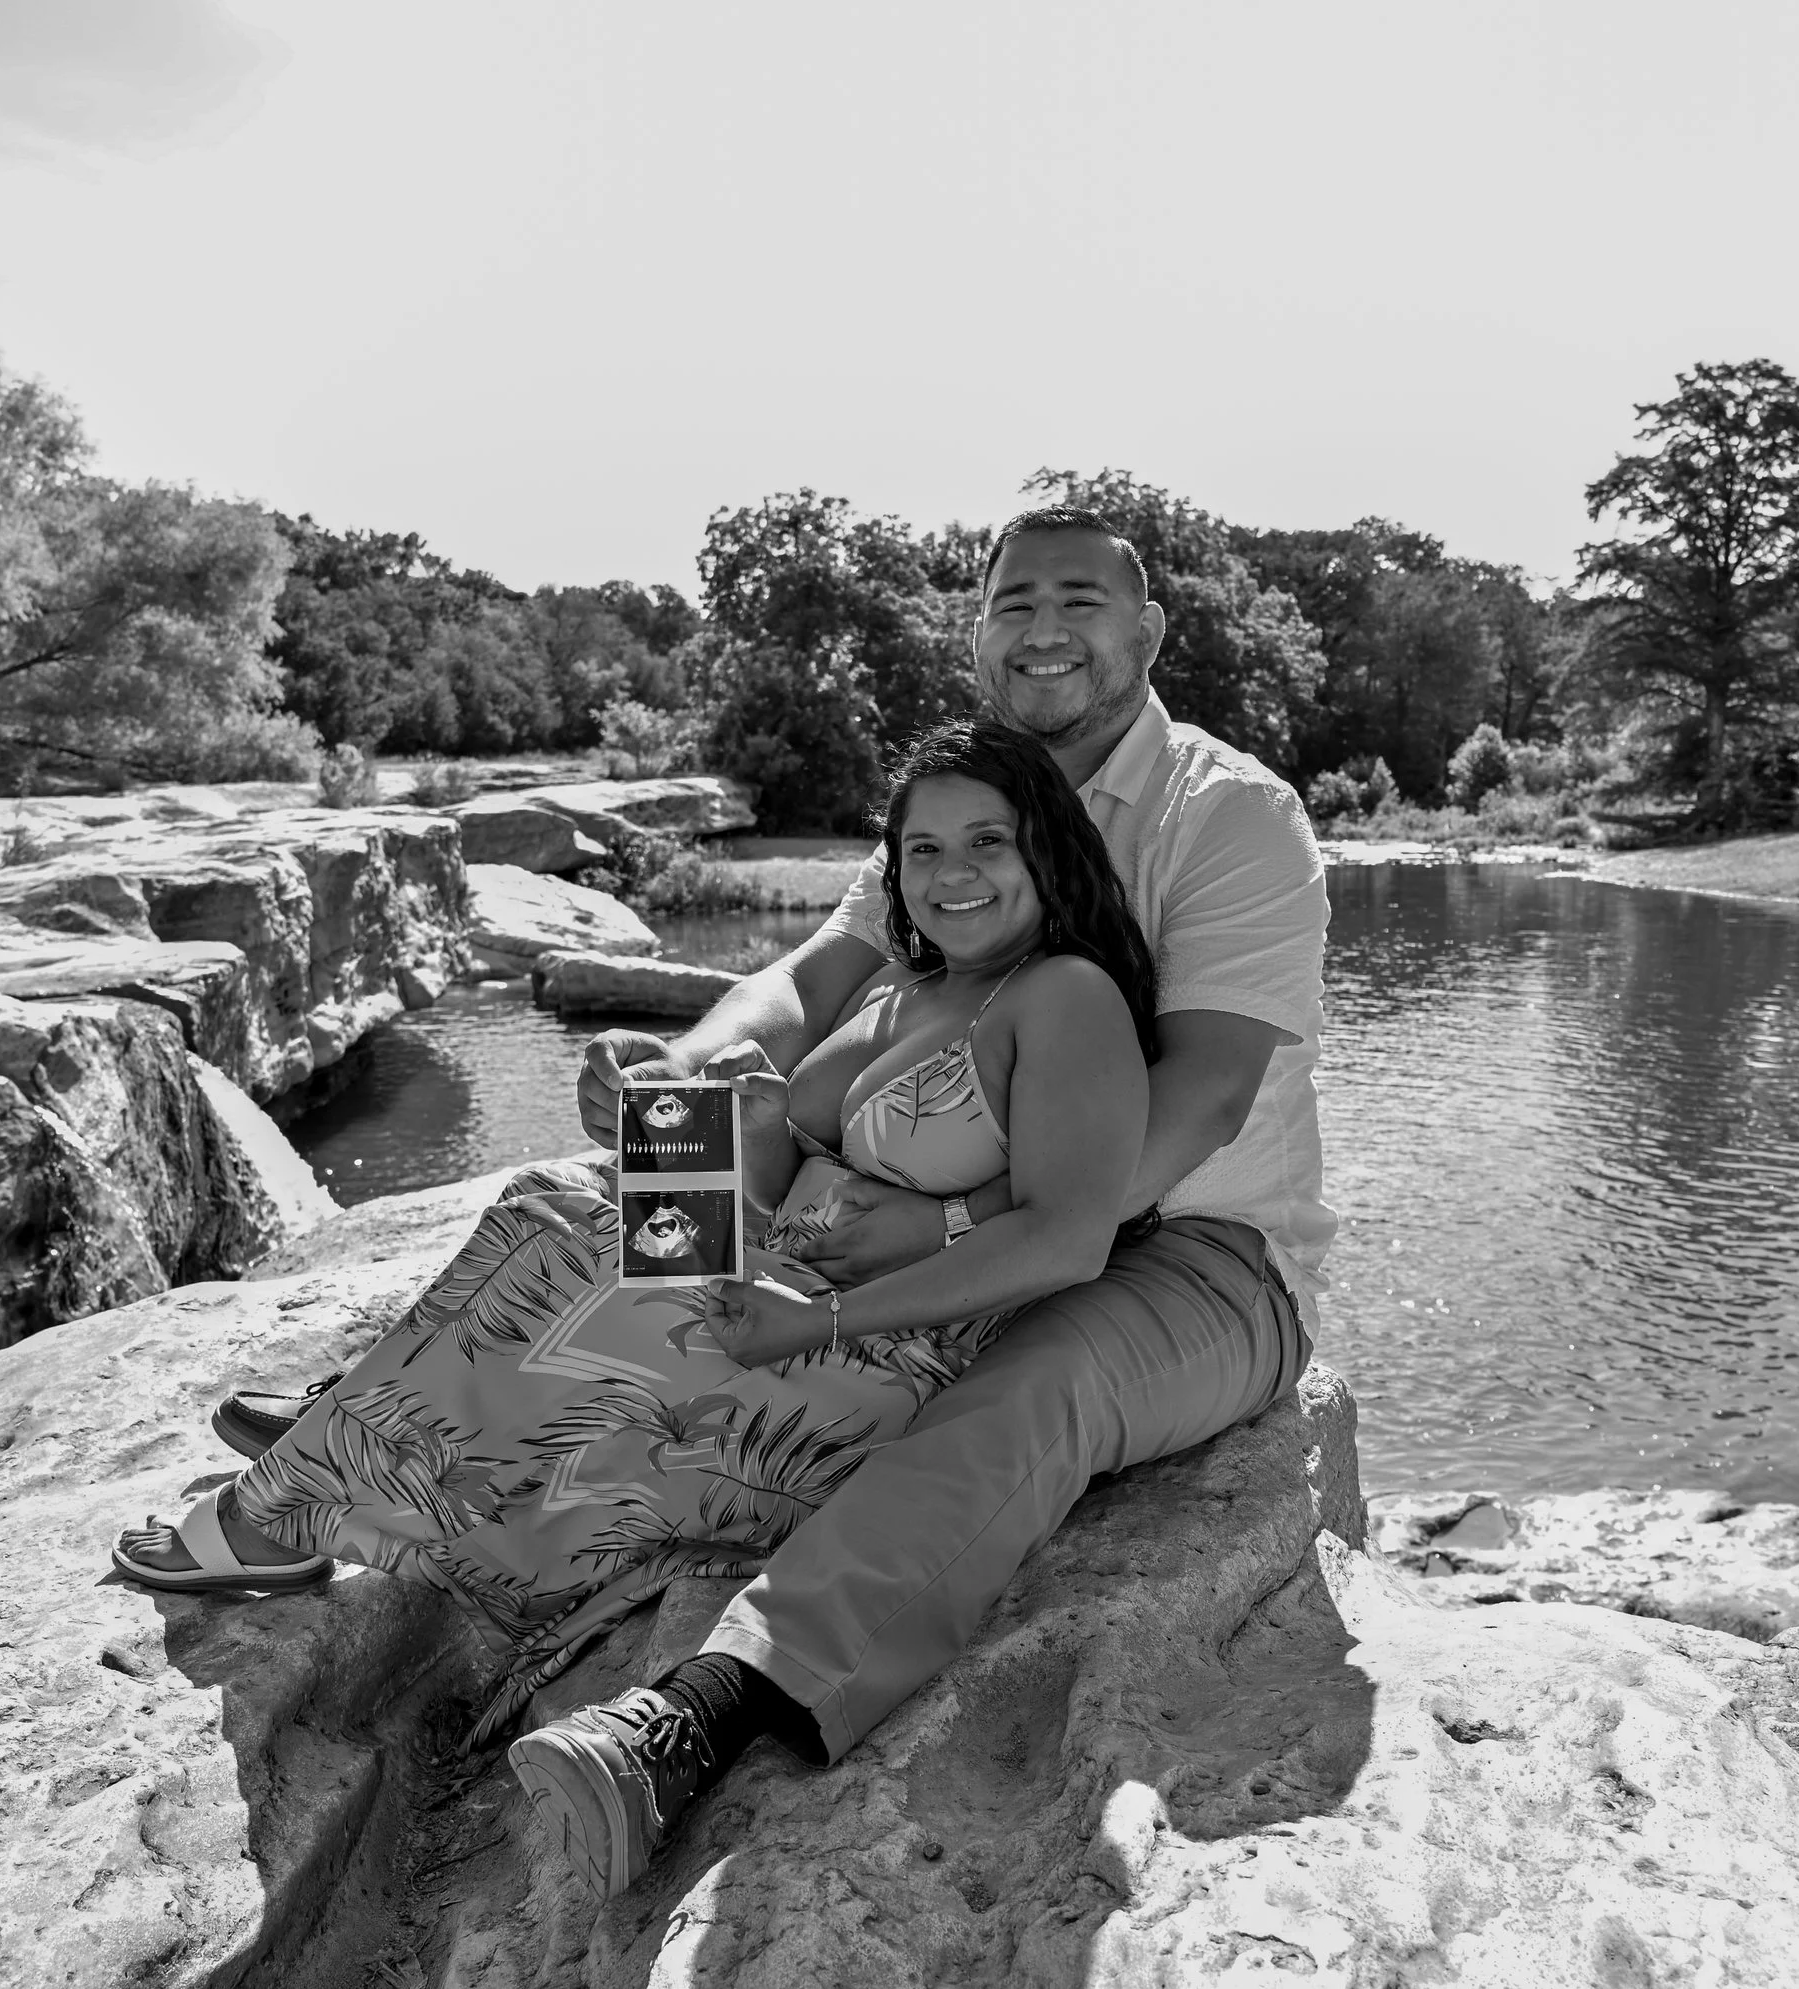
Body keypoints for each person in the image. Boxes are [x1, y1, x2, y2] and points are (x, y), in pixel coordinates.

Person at [506, 505, 1330, 1900]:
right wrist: (686, 1073)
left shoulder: (1231, 814)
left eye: (1080, 598)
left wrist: (963, 1242)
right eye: (1013, 600)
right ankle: (447, 1414)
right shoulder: (962, 805)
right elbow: (811, 979)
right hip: (915, 1199)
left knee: (1033, 1384)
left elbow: (1202, 1101)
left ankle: (707, 1707)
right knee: (636, 1175)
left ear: (1149, 632)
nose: (1044, 626)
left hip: (1197, 1250)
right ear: (978, 630)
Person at [111, 716, 1160, 1754]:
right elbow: (790, 1171)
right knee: (558, 1201)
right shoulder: (910, 981)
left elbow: (1068, 1239)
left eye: (988, 841)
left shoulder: (1064, 996)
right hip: (781, 1278)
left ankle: (281, 1511)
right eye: (922, 848)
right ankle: (348, 1459)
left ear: (1048, 850)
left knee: (584, 1258)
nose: (950, 873)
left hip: (875, 1353)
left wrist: (818, 1319)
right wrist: (703, 1104)